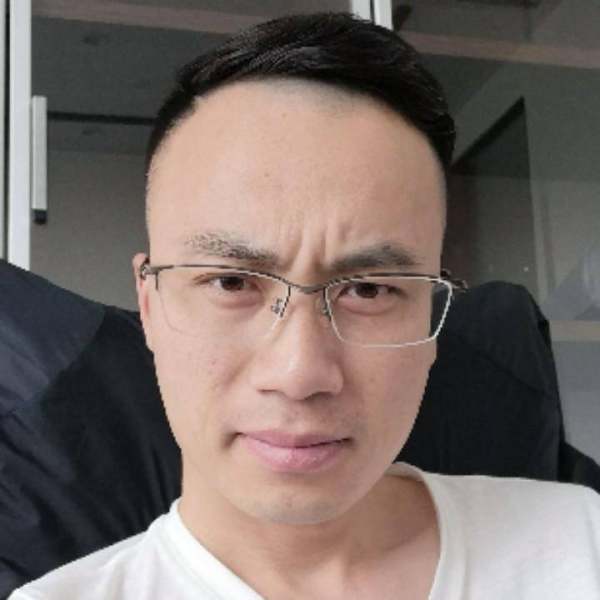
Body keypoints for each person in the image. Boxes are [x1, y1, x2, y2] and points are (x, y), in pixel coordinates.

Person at [9, 12, 600, 600]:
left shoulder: (583, 541)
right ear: (149, 304)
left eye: (369, 289)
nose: (299, 374)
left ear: (430, 317)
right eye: (231, 283)